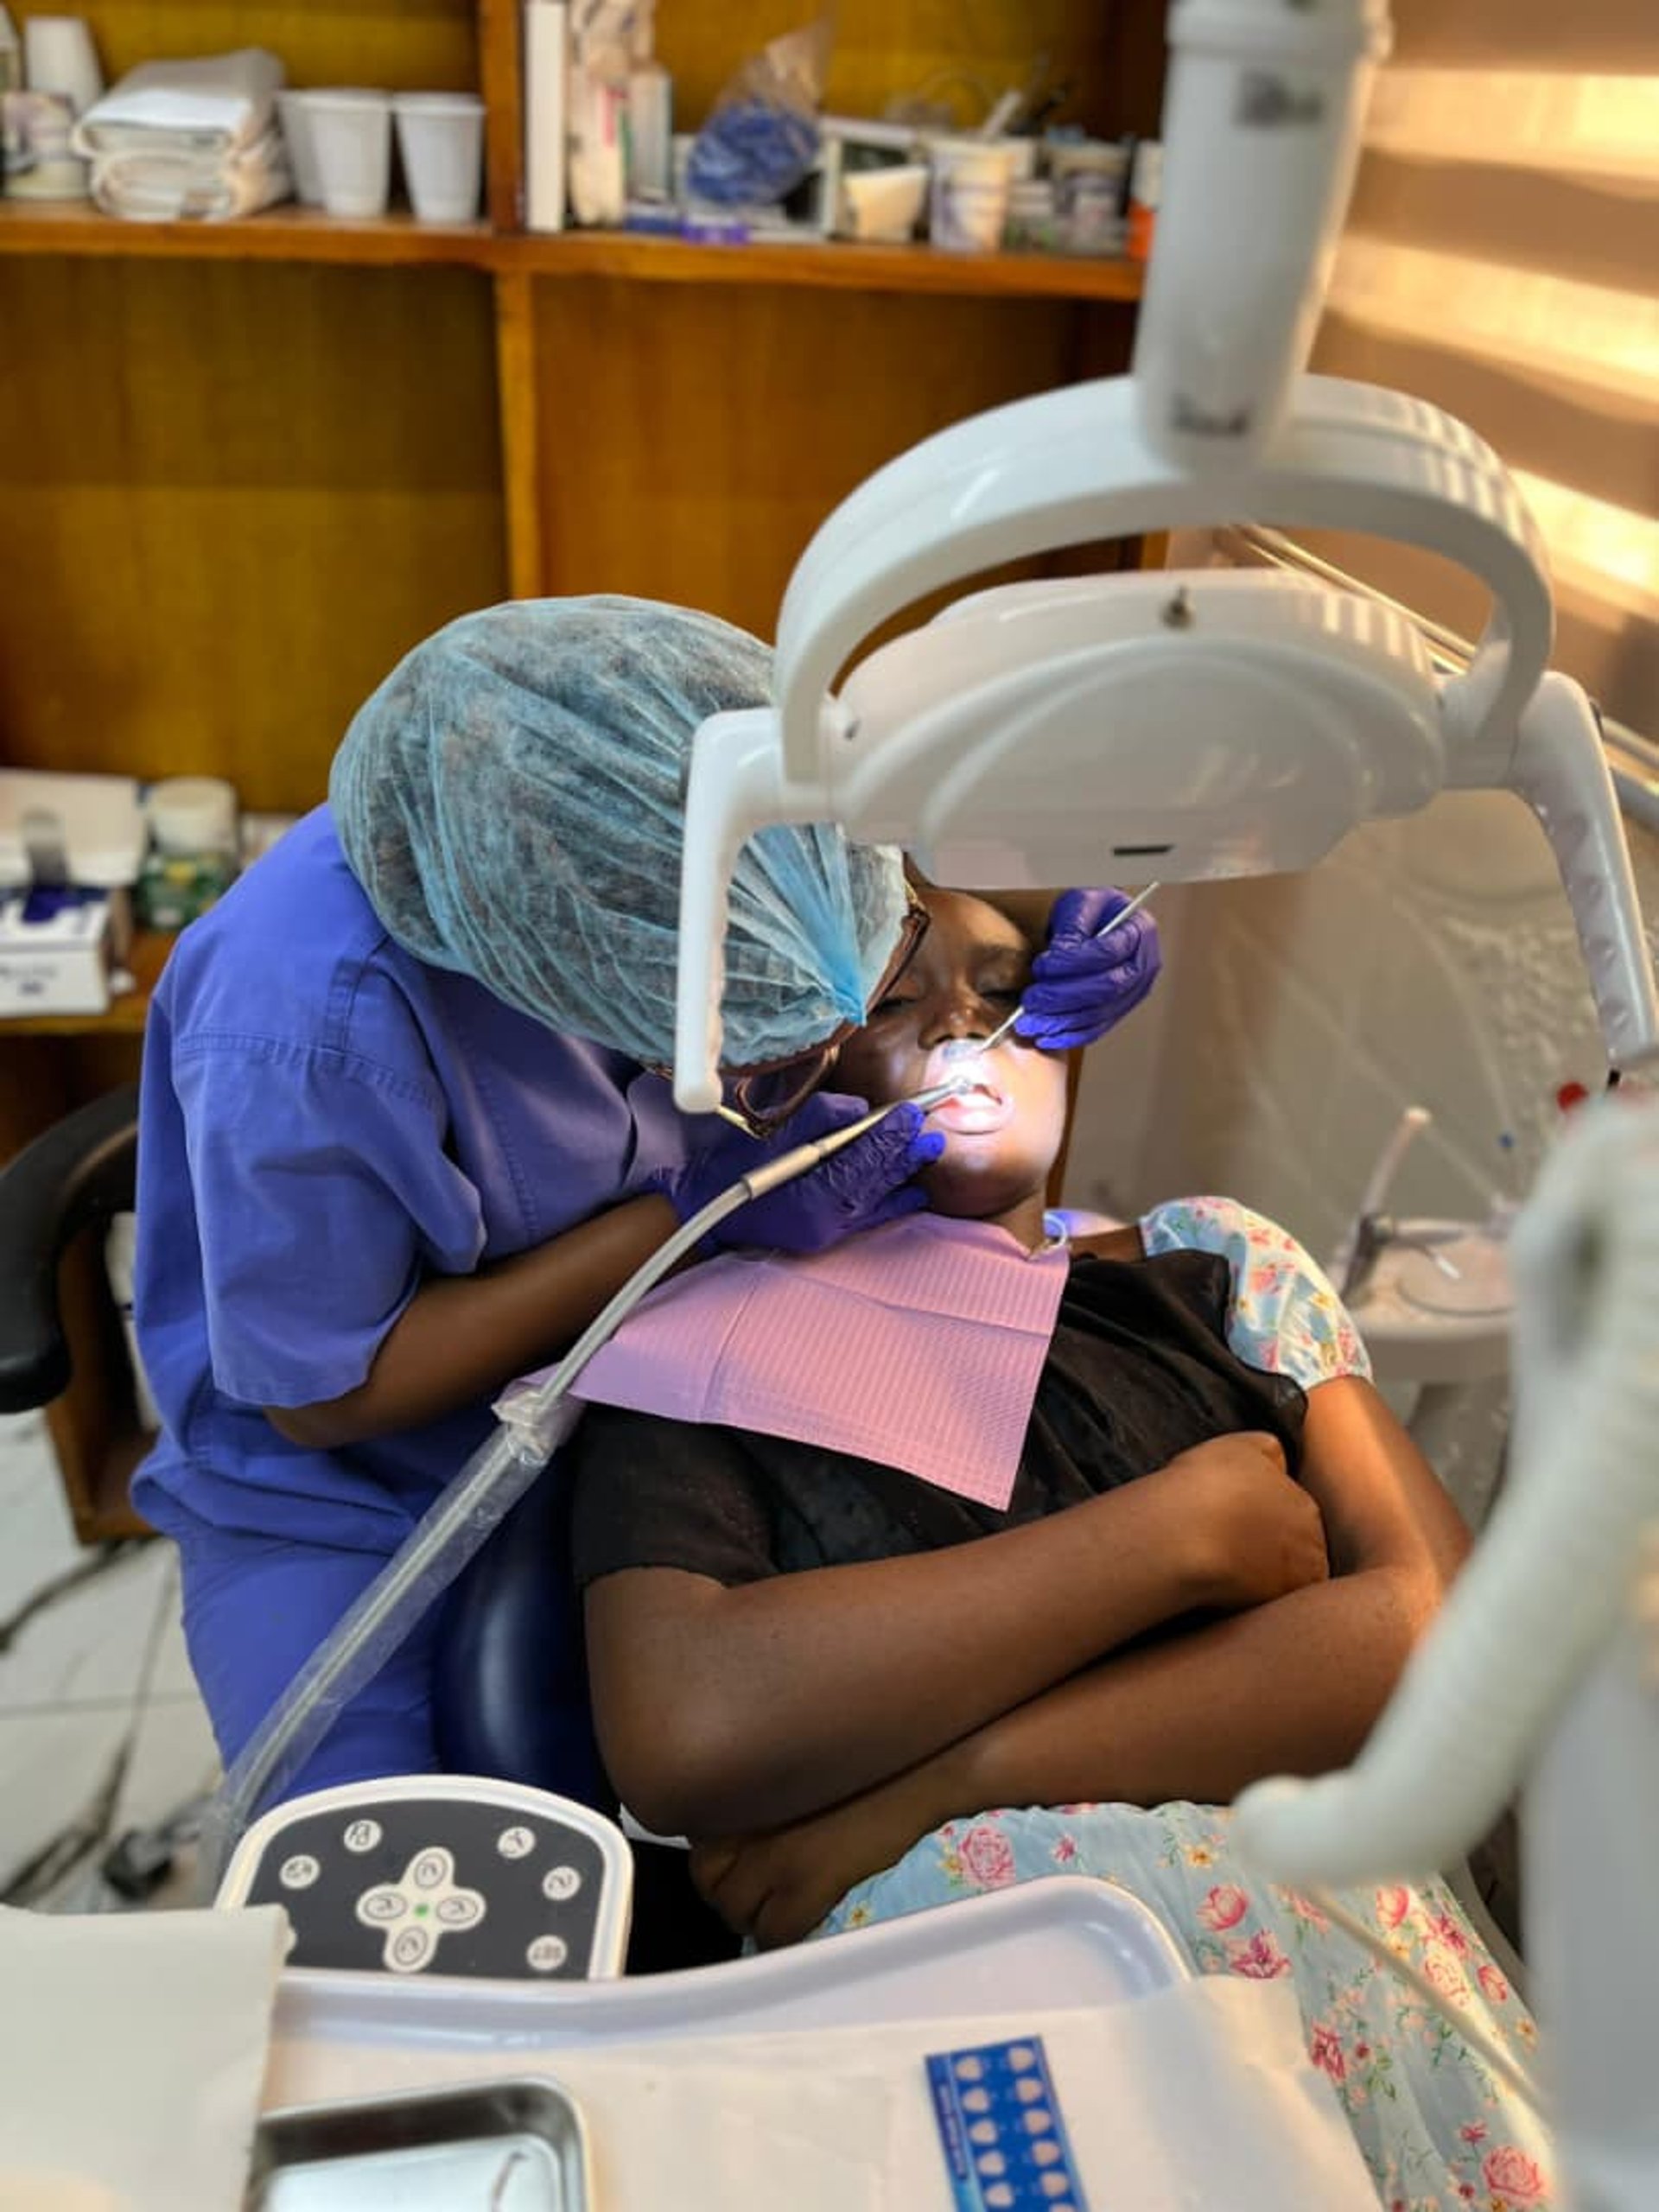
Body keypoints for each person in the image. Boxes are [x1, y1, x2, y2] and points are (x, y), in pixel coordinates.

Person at [567, 883, 1555, 2210]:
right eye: (895, 1000)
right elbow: (690, 1722)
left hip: (1351, 2002)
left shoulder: (1213, 1269)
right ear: (792, 1066)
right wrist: (1167, 1540)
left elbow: (1431, 1643)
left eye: (1013, 990)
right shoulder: (703, 1338)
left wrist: (933, 1785)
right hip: (971, 2042)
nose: (967, 1025)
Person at [130, 596, 1160, 1806]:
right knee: (381, 1896)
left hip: (636, 1401)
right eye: (879, 1013)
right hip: (360, 1494)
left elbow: (857, 911)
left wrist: (1050, 936)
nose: (956, 1038)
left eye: (976, 1011)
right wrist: (684, 1216)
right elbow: (328, 1395)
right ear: (595, 979)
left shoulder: (688, 773)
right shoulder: (308, 1030)